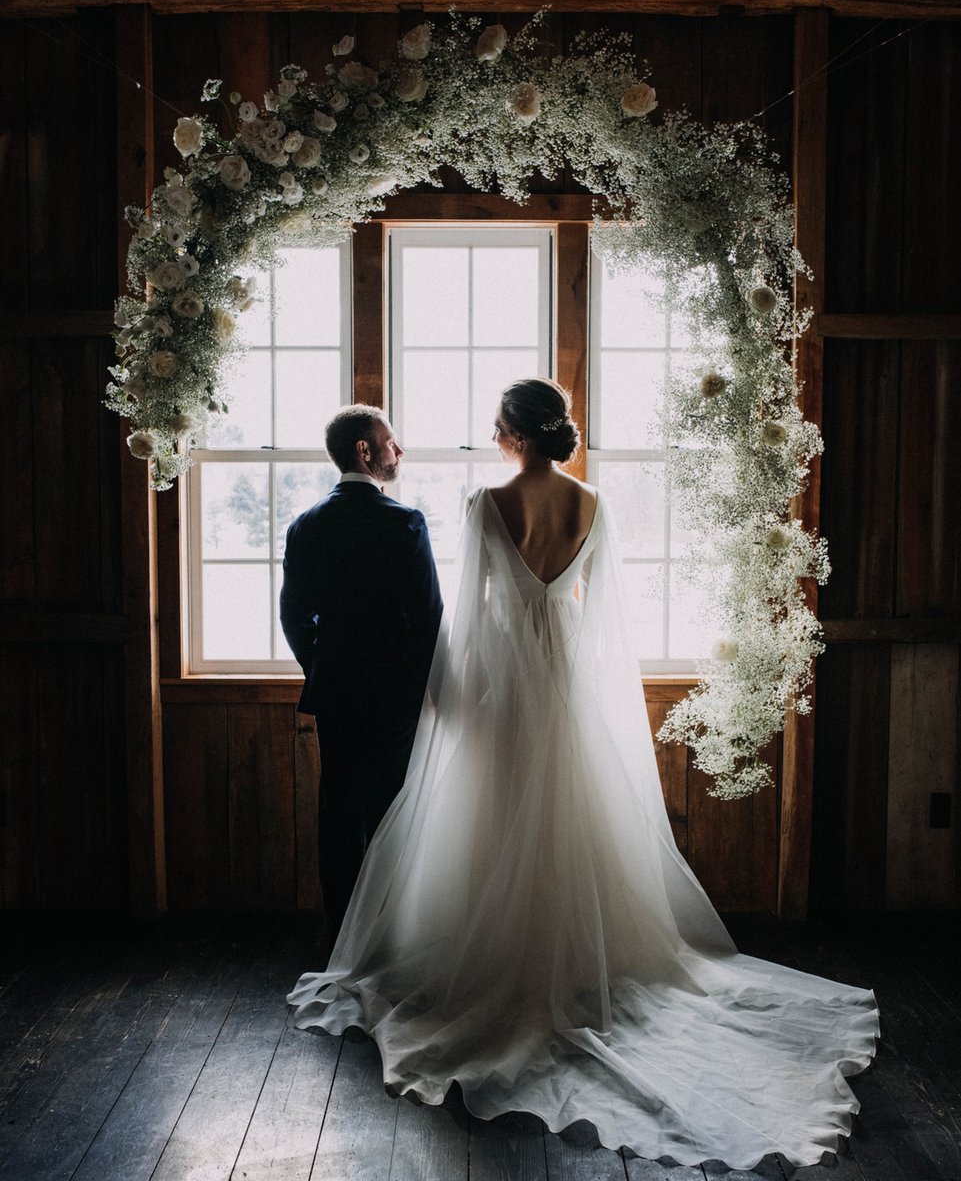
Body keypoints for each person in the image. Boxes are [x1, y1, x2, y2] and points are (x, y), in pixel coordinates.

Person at [287, 379, 878, 1170]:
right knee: (575, 819)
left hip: (501, 691)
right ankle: (576, 965)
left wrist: (451, 699)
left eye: (496, 425)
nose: (491, 434)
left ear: (513, 433)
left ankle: (495, 962)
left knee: (491, 824)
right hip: (566, 690)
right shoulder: (592, 505)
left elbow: (461, 617)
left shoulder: (482, 505)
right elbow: (594, 613)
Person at [280, 404, 443, 940]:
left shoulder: (306, 525)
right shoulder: (404, 522)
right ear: (365, 451)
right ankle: (394, 928)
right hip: (396, 693)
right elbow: (428, 616)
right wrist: (425, 687)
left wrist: (321, 663)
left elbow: (294, 614)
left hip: (337, 689)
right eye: (391, 441)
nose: (401, 451)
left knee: (339, 806)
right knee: (392, 804)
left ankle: (342, 929)